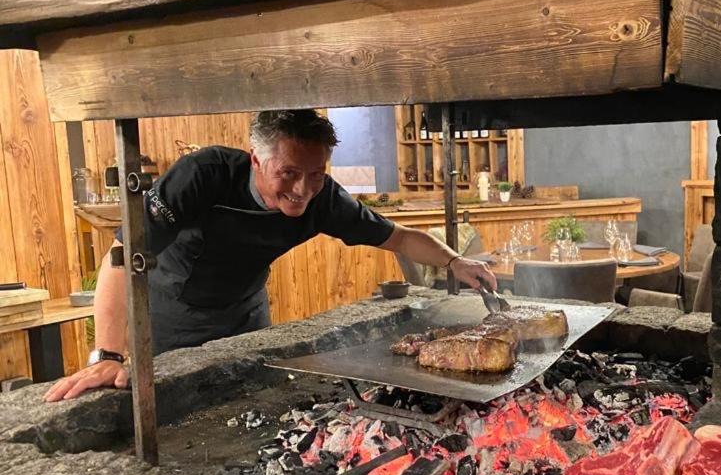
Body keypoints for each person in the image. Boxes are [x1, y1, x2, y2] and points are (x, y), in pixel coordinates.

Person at [44, 110, 496, 402]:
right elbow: (123, 254)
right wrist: (107, 352)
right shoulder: (203, 175)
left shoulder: (323, 199)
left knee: (250, 400)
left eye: (316, 174)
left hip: (246, 311)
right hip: (174, 313)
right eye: (289, 173)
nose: (303, 189)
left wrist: (456, 261)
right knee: (177, 406)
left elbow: (398, 237)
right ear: (256, 161)